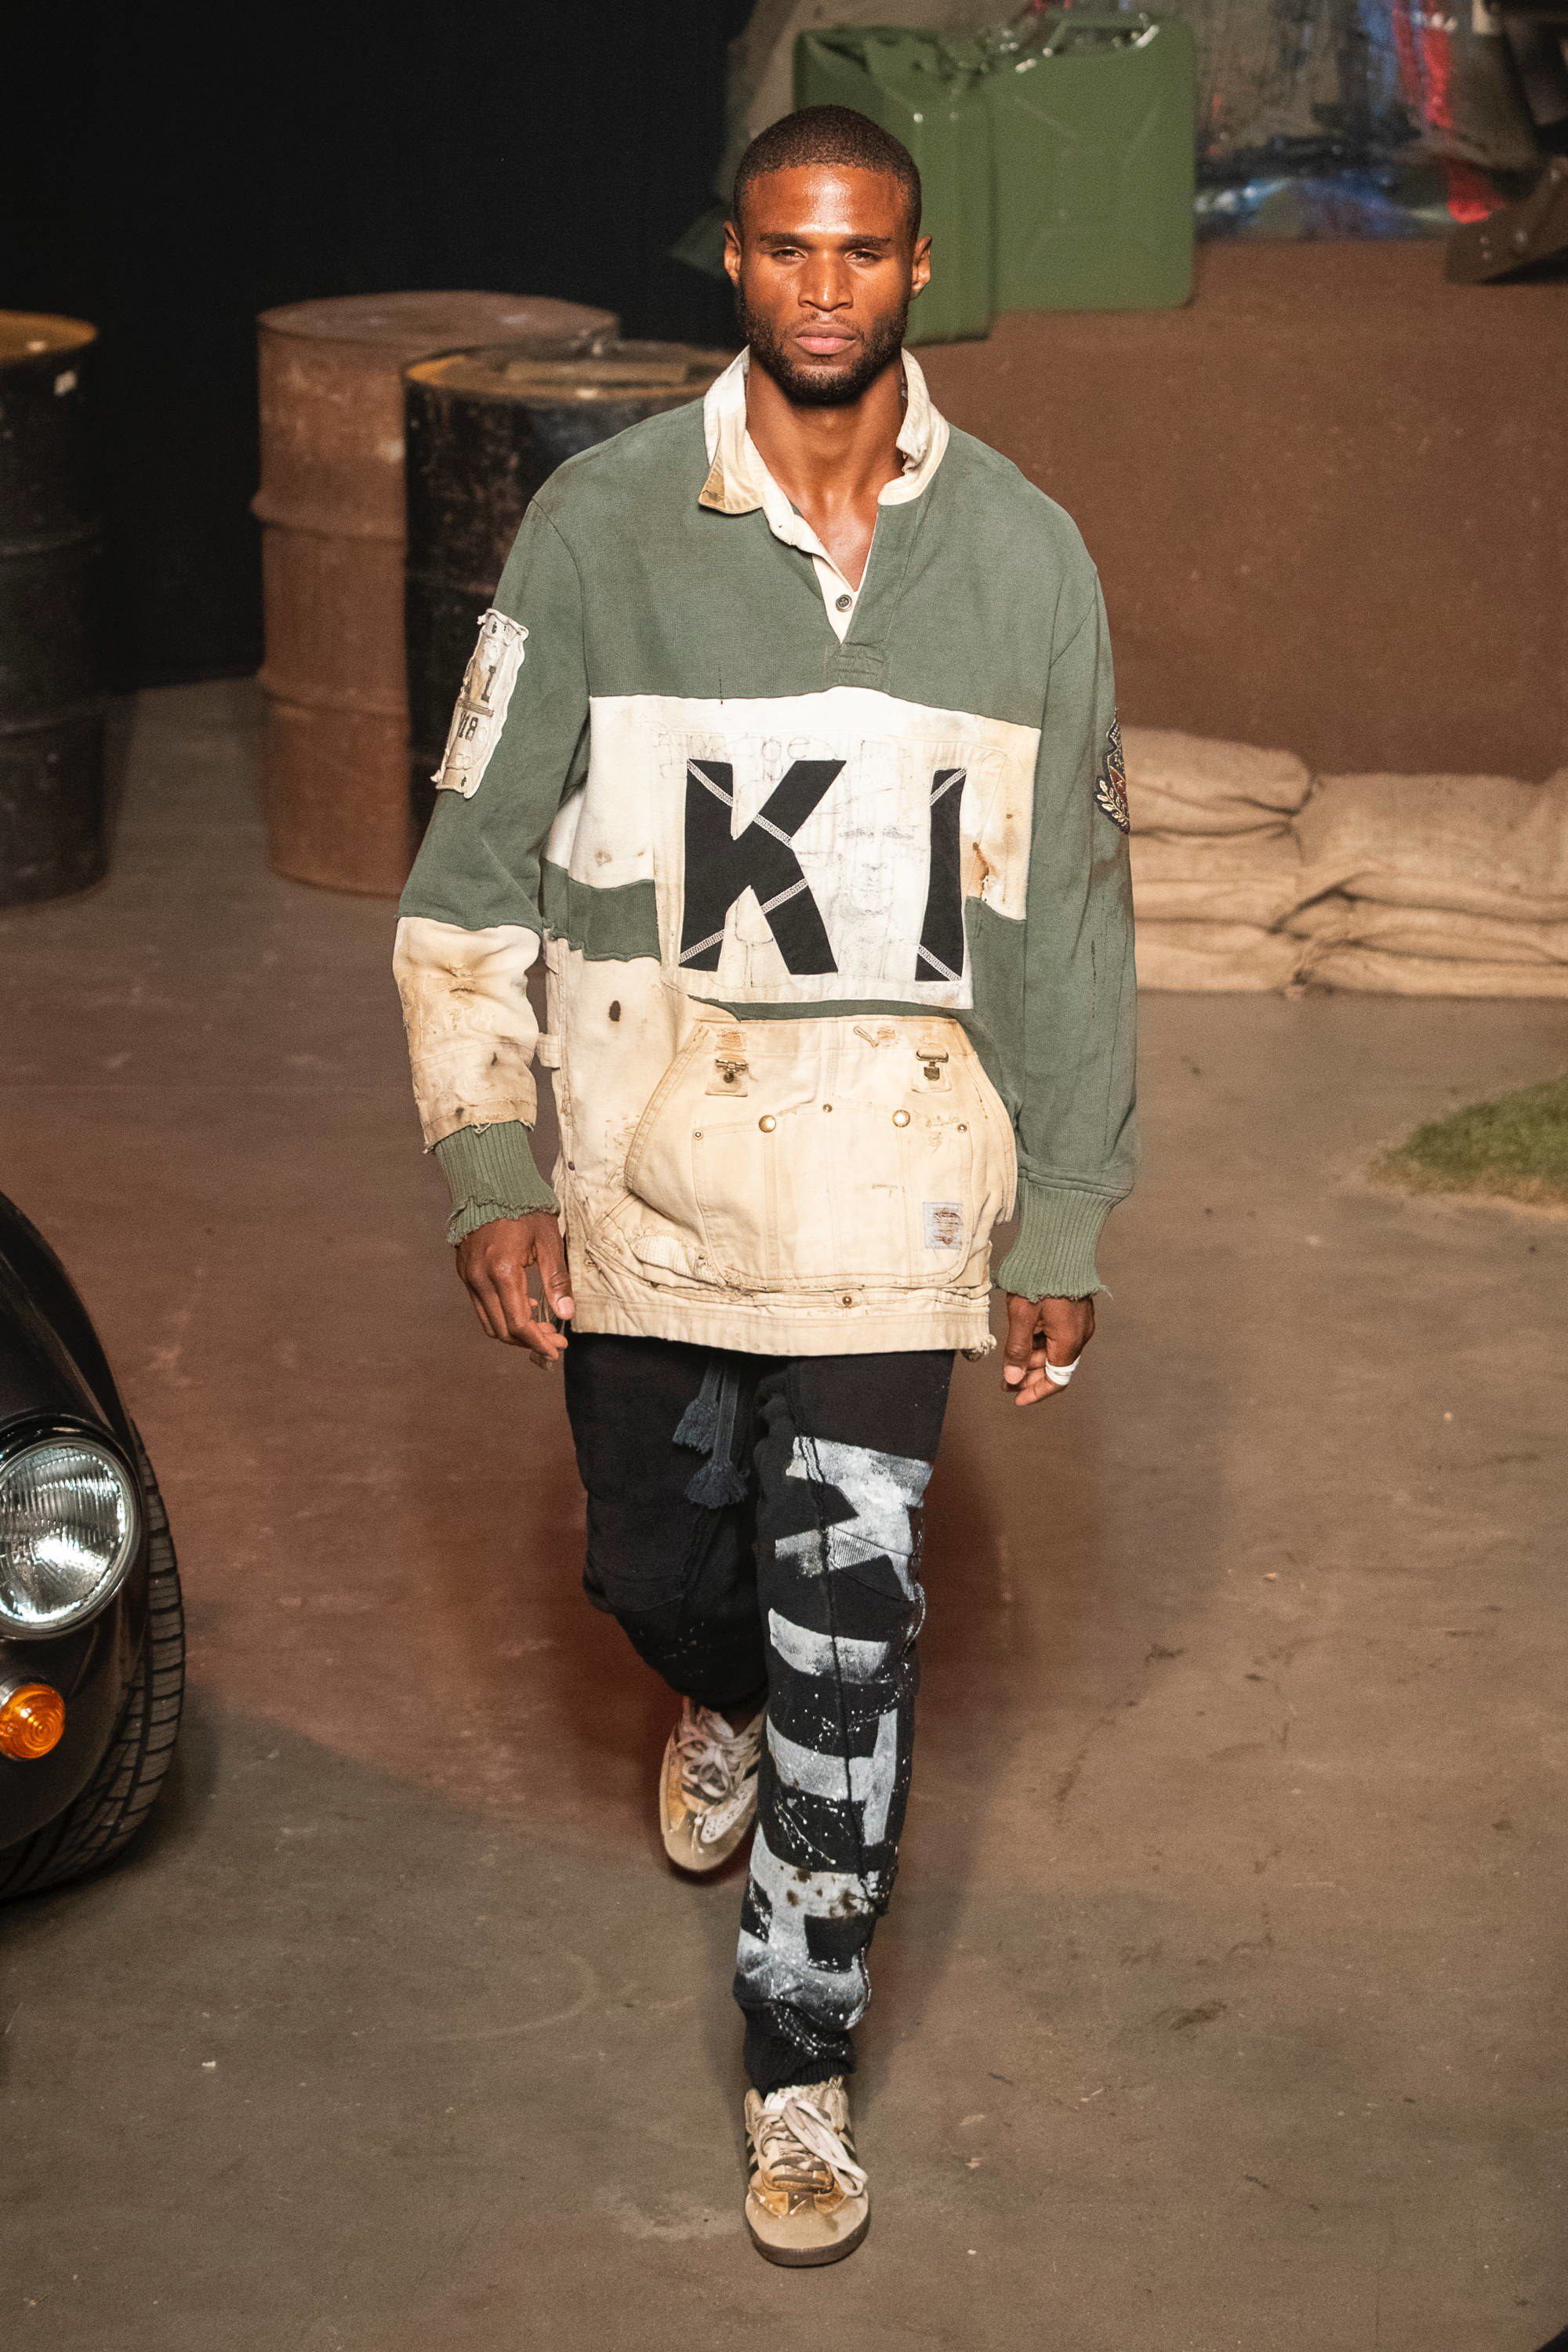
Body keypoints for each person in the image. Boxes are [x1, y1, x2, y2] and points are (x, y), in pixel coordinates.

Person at [394, 103, 1136, 2267]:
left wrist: (1067, 1214)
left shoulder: (1028, 559)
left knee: (854, 1641)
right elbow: (469, 871)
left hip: (904, 1196)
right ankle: (705, 1684)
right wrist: (490, 1161)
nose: (827, 286)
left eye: (865, 250)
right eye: (789, 248)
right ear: (735, 258)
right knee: (657, 1566)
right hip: (650, 1184)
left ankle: (798, 2068)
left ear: (919, 270)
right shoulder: (600, 528)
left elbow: (1074, 920)